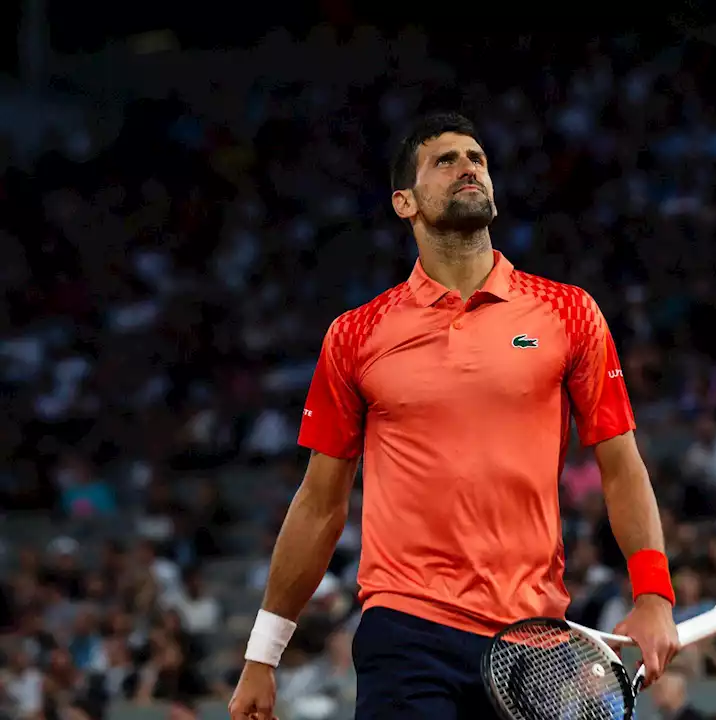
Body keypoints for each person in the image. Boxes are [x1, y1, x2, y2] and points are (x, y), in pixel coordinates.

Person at [228, 113, 679, 720]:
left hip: (533, 638)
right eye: (445, 160)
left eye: (478, 158)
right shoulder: (356, 335)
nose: (469, 166)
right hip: (407, 626)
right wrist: (263, 654)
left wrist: (653, 594)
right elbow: (319, 503)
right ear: (403, 202)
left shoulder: (569, 313)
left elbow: (621, 464)